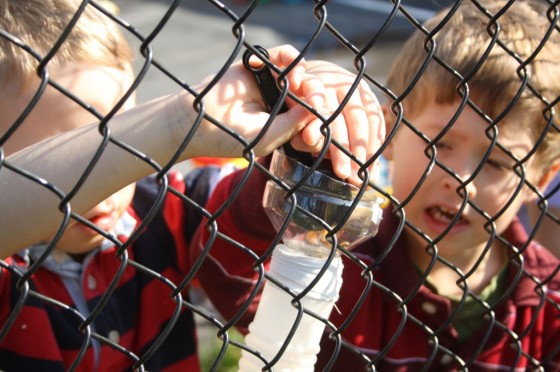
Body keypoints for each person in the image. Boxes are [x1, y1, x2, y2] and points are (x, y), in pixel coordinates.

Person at [0, 0, 383, 370]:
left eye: (118, 141)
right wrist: (176, 121)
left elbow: (239, 221)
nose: (104, 184)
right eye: (76, 160)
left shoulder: (161, 210)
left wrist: (307, 112)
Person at [191, 0, 560, 370]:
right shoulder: (343, 262)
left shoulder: (551, 302)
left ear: (540, 181)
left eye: (496, 163)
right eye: (440, 145)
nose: (461, 182)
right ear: (392, 131)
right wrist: (287, 177)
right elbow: (227, 271)